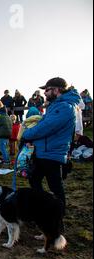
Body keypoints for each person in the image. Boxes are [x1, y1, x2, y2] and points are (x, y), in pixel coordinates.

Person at [22, 77, 78, 212]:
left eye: (47, 90)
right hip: (44, 151)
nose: (44, 93)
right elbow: (43, 124)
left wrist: (26, 134)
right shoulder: (56, 106)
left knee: (55, 188)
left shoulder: (64, 107)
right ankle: (43, 209)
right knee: (34, 179)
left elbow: (46, 127)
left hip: (52, 154)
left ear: (57, 90)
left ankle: (57, 222)